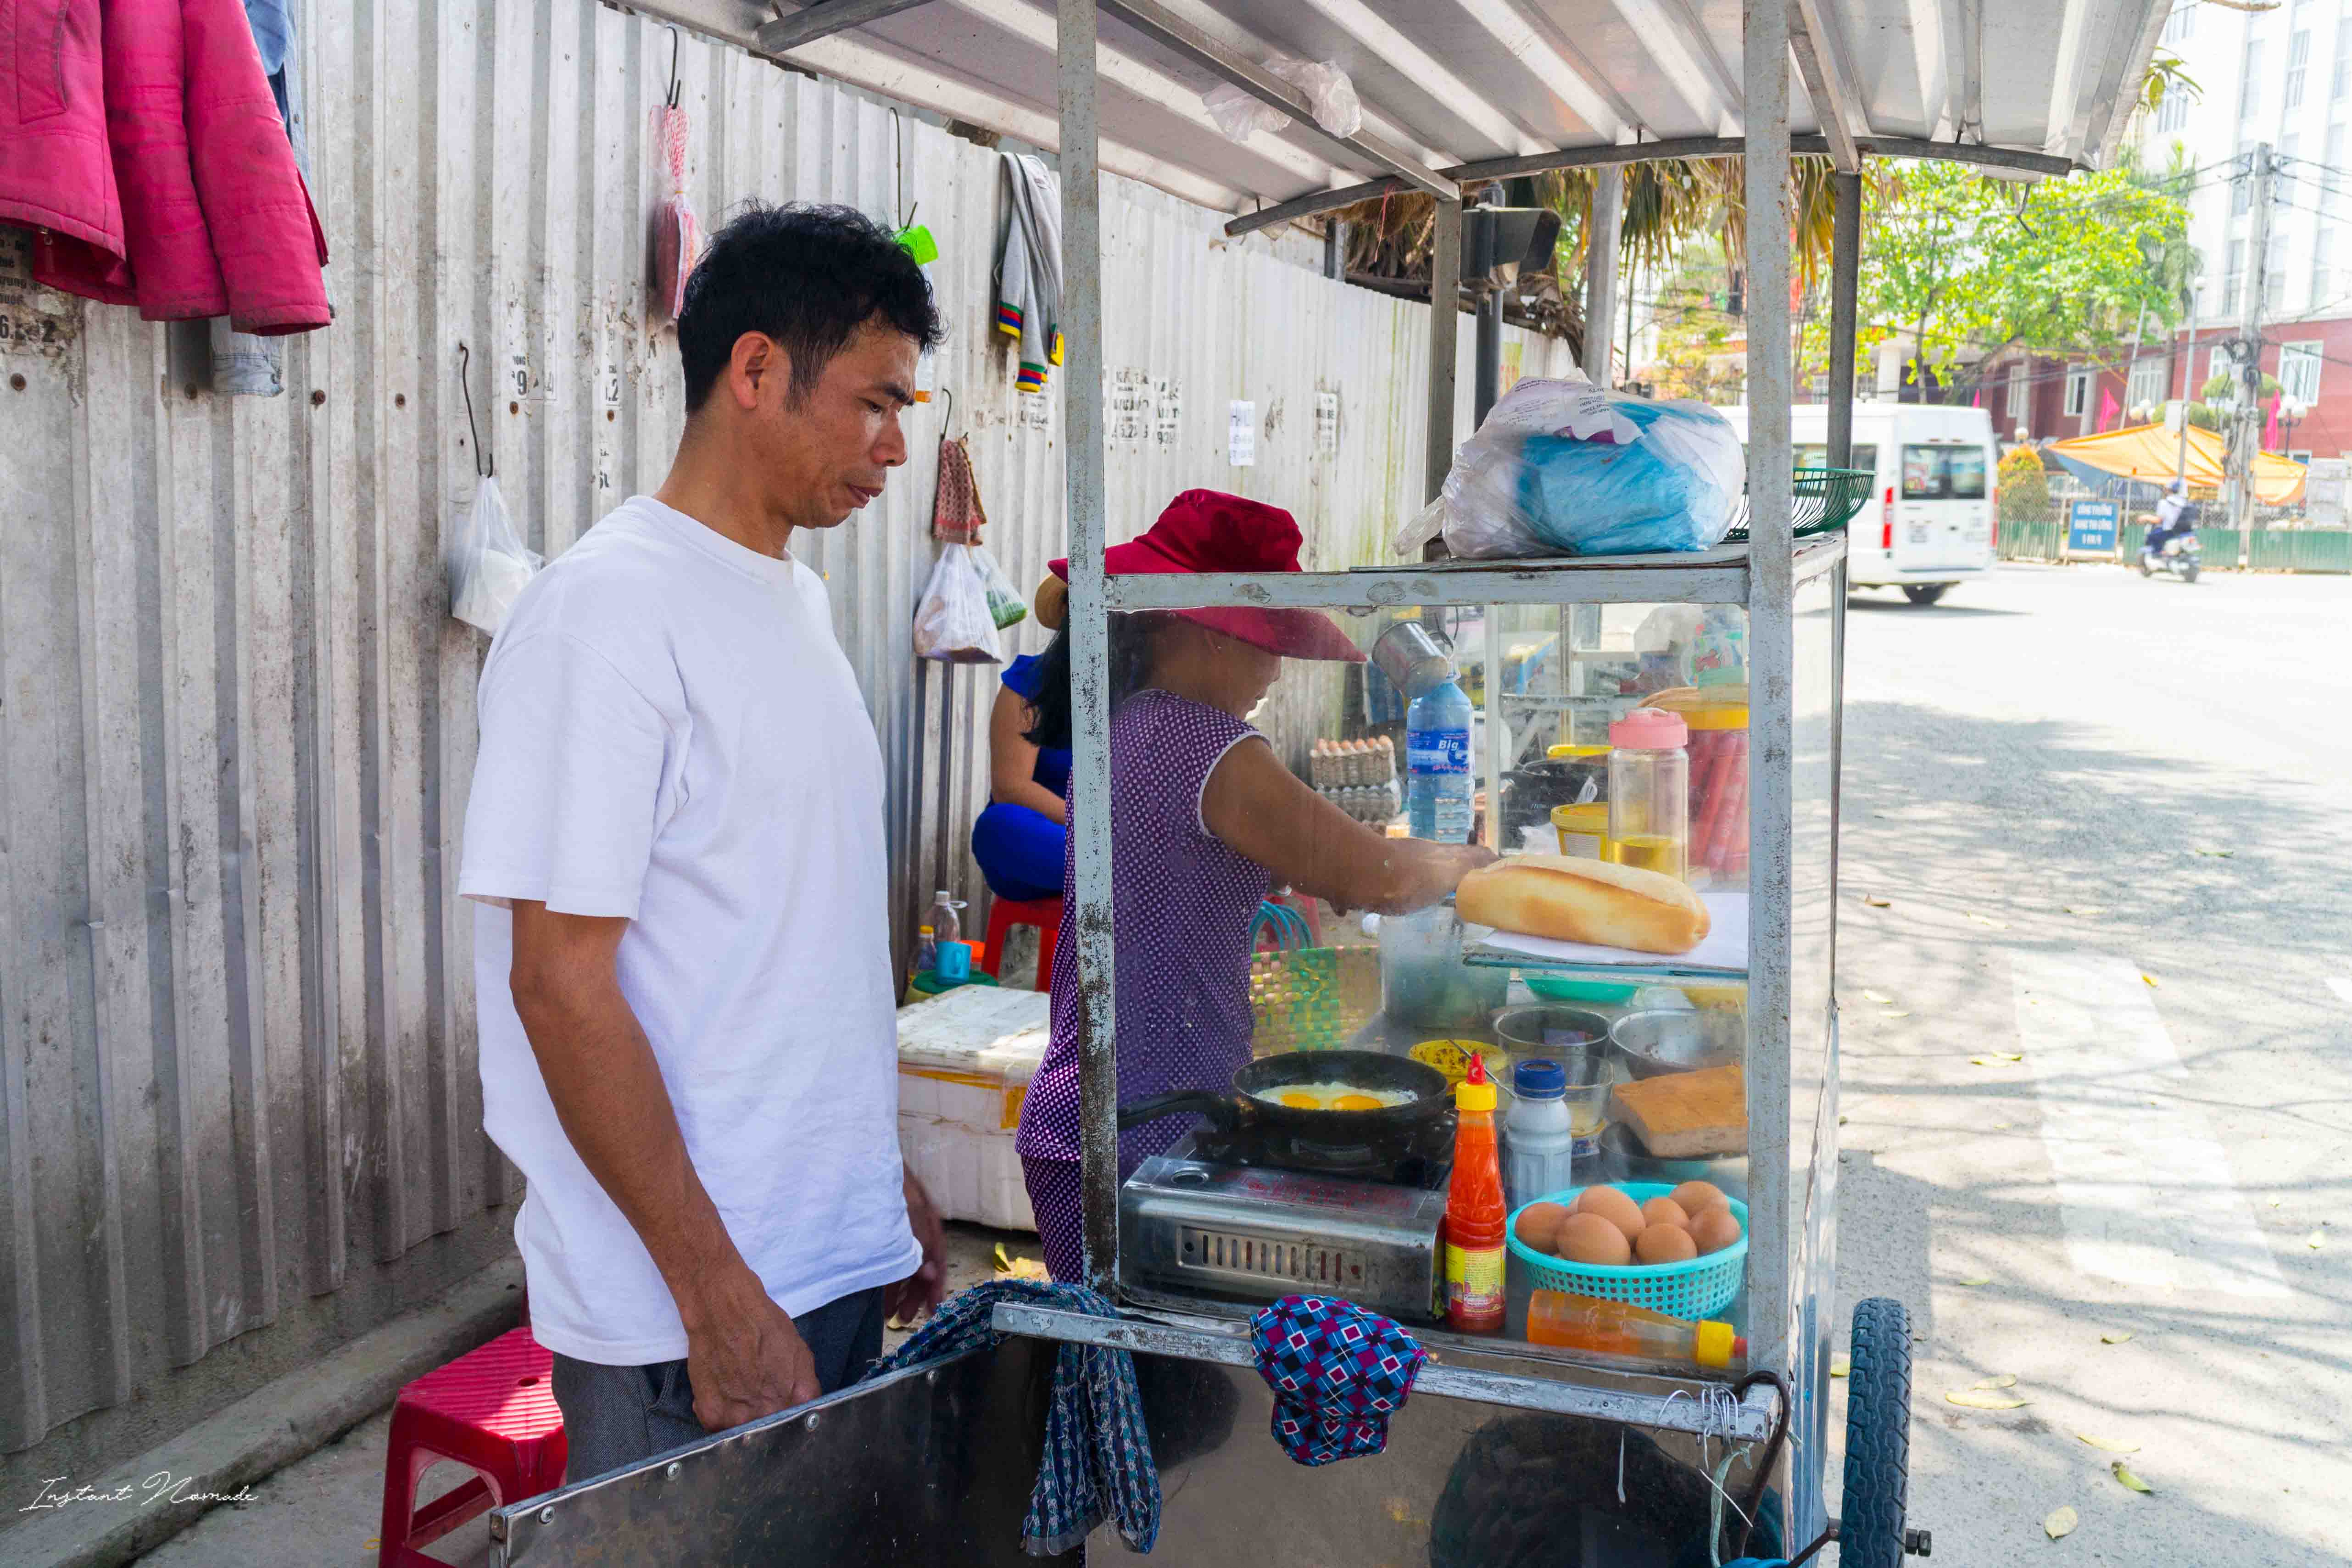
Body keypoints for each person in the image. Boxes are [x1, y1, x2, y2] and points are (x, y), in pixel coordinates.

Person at [459, 203, 950, 1481]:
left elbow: (789, 939)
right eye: (874, 402)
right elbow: (558, 988)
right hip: (687, 1315)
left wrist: (870, 1173)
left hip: (817, 1259)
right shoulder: (604, 617)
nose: (896, 447)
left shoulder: (791, 600)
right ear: (752, 372)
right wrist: (712, 1287)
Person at [1011, 491, 1497, 1282]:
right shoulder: (1208, 743)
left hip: (1103, 1119)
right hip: (1138, 1131)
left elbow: (1204, 862)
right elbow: (1379, 876)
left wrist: (1325, 866)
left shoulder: (1136, 725)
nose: (1274, 666)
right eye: (1264, 638)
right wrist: (1468, 866)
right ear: (1200, 627)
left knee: (1112, 1385)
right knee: (1137, 1387)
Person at [970, 577, 1072, 904]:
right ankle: (1132, 878)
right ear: (1067, 614)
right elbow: (1011, 788)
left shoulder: (1144, 693)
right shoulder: (1031, 683)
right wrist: (1098, 832)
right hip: (1044, 847)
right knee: (997, 828)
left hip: (1118, 845)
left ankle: (1127, 877)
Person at [2143, 479, 2196, 564]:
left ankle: (2158, 557)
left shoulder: (2164, 502)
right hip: (2185, 533)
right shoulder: (2185, 503)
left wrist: (2145, 518)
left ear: (2170, 490)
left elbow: (2159, 520)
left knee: (2152, 536)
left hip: (2170, 532)